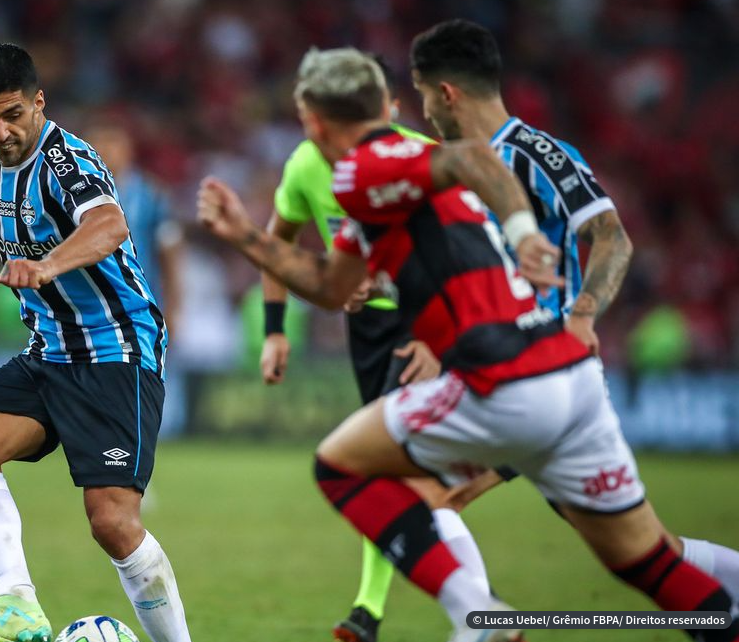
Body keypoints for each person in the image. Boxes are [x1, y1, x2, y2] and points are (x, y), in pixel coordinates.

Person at [197, 47, 739, 642]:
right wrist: (246, 235)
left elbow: (475, 161)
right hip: (571, 374)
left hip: (500, 381)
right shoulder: (385, 175)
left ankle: (478, 616)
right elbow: (333, 286)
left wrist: (523, 230)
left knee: (340, 466)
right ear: (386, 103)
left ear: (313, 123)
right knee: (649, 561)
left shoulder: (365, 168)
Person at [410, 17, 739, 605]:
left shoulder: (536, 153)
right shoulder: (452, 166)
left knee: (426, 496)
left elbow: (612, 237)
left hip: (543, 375)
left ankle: (483, 624)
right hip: (507, 376)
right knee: (644, 553)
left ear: (446, 91)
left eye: (422, 93)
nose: (423, 109)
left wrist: (583, 313)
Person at [0, 44, 192, 642]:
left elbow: (109, 225)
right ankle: (17, 606)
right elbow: (2, 224)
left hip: (116, 351)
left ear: (38, 102)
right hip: (50, 350)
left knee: (111, 521)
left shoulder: (68, 160)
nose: (0, 131)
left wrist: (48, 266)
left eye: (11, 114)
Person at [261, 56, 498, 642]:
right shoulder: (305, 169)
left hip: (428, 326)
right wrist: (275, 327)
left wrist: (435, 337)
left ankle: (381, 612)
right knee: (403, 477)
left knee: (395, 475)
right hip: (368, 331)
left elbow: (463, 247)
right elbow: (278, 244)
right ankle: (475, 616)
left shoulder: (417, 157)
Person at [85, 121, 183, 331]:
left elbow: (170, 254)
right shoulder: (74, 193)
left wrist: (173, 308)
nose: (105, 150)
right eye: (98, 143)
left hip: (140, 305)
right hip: (90, 306)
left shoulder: (152, 195)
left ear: (128, 150)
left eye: (112, 143)